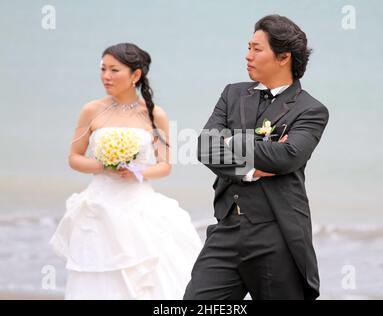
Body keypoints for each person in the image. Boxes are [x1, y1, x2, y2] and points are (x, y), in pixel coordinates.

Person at [184, 15, 329, 300]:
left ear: (283, 57)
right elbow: (204, 147)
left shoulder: (311, 110)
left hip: (276, 234)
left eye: (256, 49)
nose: (247, 55)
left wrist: (231, 139)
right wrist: (248, 170)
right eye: (248, 47)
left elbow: (288, 156)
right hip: (226, 228)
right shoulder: (233, 93)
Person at [50, 43, 202, 300]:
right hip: (99, 205)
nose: (105, 76)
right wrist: (103, 166)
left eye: (114, 70)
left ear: (135, 75)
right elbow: (74, 158)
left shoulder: (155, 115)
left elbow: (165, 166)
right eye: (103, 69)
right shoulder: (92, 110)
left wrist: (138, 171)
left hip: (139, 205)